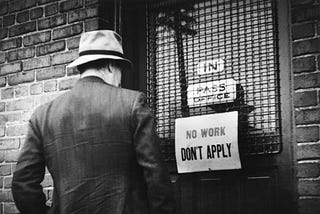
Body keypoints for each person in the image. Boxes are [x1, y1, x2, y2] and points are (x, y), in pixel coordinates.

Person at [12, 30, 176, 214]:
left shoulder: (42, 116)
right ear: (111, 66)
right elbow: (156, 176)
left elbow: (22, 183)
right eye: (120, 71)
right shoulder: (133, 103)